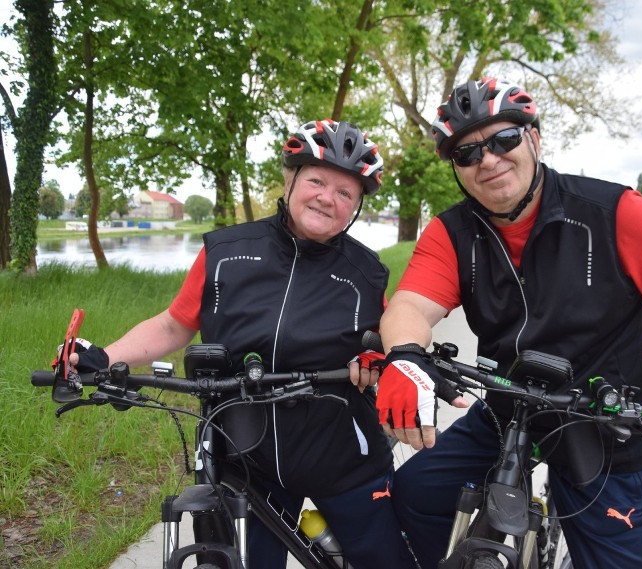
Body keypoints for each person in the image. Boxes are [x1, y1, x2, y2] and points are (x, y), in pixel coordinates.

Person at [375, 77, 642, 569]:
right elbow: (410, 307)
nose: (489, 161)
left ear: (535, 139)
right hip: (509, 404)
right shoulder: (451, 232)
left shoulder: (612, 212)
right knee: (415, 490)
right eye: (468, 154)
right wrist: (406, 358)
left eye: (504, 141)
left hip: (606, 421)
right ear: (458, 169)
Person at [67, 119, 419, 569]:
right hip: (247, 454)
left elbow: (391, 340)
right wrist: (104, 357)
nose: (327, 198)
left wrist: (380, 358)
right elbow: (175, 325)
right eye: (316, 180)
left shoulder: (366, 275)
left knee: (384, 560)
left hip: (342, 454)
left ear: (356, 206)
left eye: (345, 192)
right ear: (290, 179)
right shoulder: (227, 252)